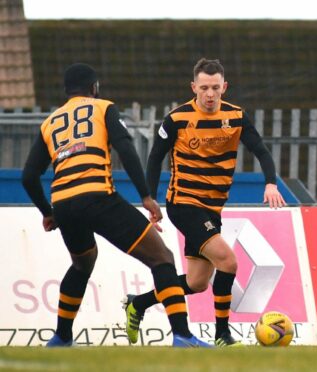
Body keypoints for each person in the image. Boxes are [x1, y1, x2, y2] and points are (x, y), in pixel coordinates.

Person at [21, 63, 210, 348]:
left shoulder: (50, 122)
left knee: (82, 263)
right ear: (94, 87)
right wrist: (145, 195)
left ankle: (61, 337)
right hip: (96, 196)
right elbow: (125, 147)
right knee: (162, 258)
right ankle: (182, 335)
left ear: (67, 91)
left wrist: (47, 212)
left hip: (62, 202)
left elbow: (28, 176)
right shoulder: (103, 107)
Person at [124, 58, 286, 347]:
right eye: (204, 88)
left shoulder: (236, 117)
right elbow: (154, 158)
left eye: (215, 87)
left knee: (197, 283)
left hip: (212, 208)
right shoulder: (176, 118)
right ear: (193, 87)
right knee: (228, 261)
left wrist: (271, 182)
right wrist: (150, 198)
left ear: (224, 87)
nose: (209, 94)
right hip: (184, 203)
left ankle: (139, 303)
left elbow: (260, 150)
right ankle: (222, 334)